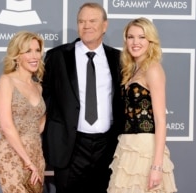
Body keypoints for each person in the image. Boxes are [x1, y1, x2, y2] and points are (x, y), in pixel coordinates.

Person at [42, 2, 124, 193]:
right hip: (70, 146)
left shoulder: (119, 59)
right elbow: (42, 97)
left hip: (107, 147)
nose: (86, 25)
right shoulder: (57, 57)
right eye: (81, 21)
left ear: (105, 25)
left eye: (92, 20)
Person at [107, 18, 177, 193]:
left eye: (141, 37)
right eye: (131, 37)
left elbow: (161, 120)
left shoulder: (153, 69)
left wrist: (157, 166)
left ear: (150, 41)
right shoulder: (132, 70)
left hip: (146, 149)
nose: (135, 42)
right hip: (127, 146)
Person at [0, 31, 46, 193]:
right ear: (17, 56)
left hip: (36, 155)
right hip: (12, 156)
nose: (35, 56)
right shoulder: (7, 80)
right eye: (28, 51)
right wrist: (27, 162)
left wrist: (33, 161)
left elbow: (38, 124)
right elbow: (7, 126)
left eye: (37, 50)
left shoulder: (38, 87)